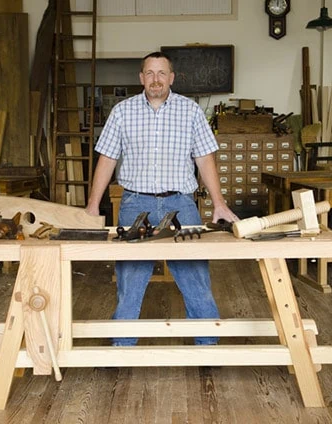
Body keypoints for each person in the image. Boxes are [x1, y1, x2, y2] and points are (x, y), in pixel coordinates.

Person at [84, 51, 239, 346]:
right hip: (134, 203)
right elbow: (106, 160)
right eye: (150, 74)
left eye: (161, 73)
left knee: (195, 276)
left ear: (171, 78)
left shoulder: (191, 111)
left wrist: (219, 203)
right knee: (130, 278)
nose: (156, 79)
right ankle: (122, 346)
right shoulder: (122, 112)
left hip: (180, 203)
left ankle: (207, 345)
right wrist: (92, 207)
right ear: (141, 78)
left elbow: (205, 159)